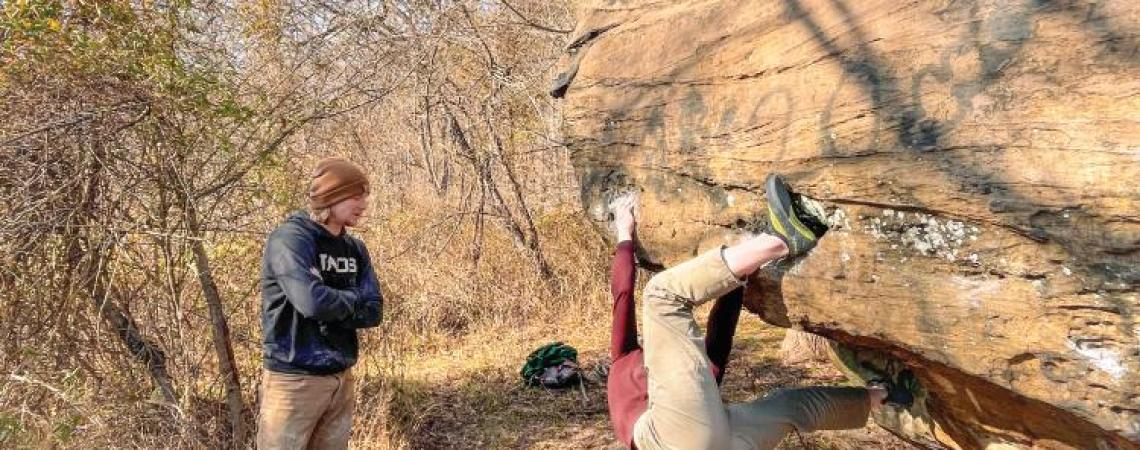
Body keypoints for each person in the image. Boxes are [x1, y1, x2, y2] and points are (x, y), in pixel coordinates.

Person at [605, 174, 901, 450]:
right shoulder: (623, 357)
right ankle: (782, 239)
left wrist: (740, 276)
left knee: (790, 406)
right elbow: (623, 295)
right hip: (667, 439)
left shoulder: (663, 373)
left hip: (714, 438)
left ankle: (881, 395)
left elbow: (717, 344)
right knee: (661, 296)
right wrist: (624, 233)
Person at [257, 157, 384, 450]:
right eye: (356, 195)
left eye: (365, 195)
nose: (364, 203)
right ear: (332, 196)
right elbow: (311, 303)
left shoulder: (354, 248)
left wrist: (332, 300)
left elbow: (374, 309)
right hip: (293, 381)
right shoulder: (291, 240)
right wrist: (353, 301)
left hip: (340, 378)